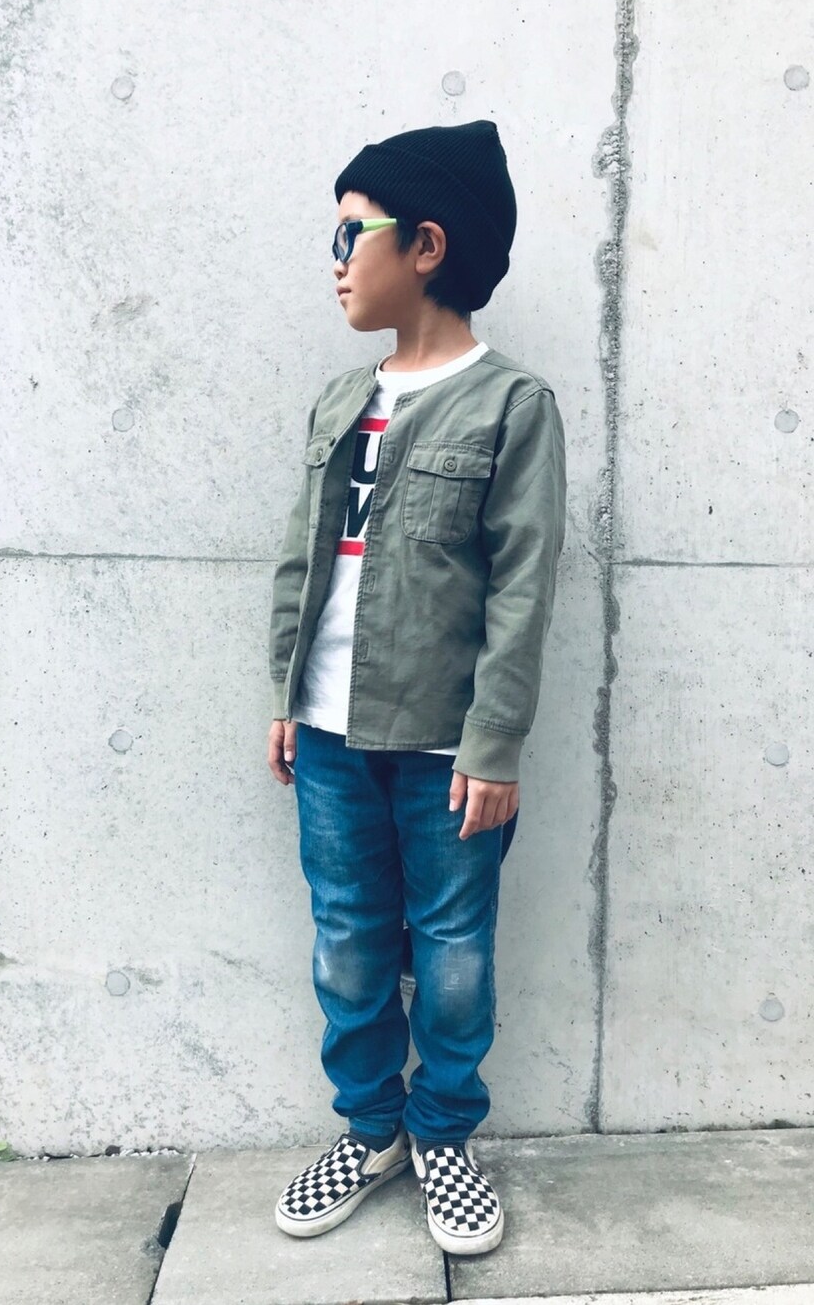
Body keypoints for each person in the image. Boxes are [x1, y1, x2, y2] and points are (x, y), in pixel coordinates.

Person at [266, 119, 567, 1256]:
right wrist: (285, 696)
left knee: (451, 951)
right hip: (329, 734)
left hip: (446, 743)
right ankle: (371, 1129)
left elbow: (523, 587)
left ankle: (443, 1135)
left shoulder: (511, 405)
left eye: (352, 233)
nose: (336, 259)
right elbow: (299, 563)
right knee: (347, 939)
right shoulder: (340, 398)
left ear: (427, 244)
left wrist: (496, 744)